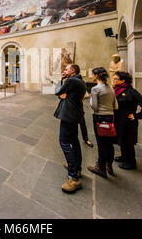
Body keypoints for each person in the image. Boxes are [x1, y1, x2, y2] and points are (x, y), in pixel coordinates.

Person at [54, 64, 86, 193]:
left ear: (73, 71)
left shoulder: (72, 80)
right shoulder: (80, 81)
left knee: (64, 143)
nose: (64, 71)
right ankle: (76, 167)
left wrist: (60, 80)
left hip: (68, 115)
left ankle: (73, 177)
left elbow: (58, 91)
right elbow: (63, 94)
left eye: (66, 69)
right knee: (74, 141)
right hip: (75, 115)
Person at [112, 71, 142, 170]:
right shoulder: (118, 90)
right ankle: (124, 157)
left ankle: (131, 162)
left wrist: (137, 115)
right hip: (119, 120)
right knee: (122, 140)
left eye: (115, 79)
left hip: (128, 122)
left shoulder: (131, 92)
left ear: (122, 81)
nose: (112, 80)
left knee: (128, 142)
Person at [87, 67, 118, 178]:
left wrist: (91, 99)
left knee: (101, 143)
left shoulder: (95, 89)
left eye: (92, 74)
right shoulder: (110, 87)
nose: (91, 76)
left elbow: (94, 107)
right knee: (109, 143)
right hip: (110, 117)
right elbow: (116, 105)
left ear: (96, 76)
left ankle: (100, 168)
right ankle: (109, 166)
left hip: (100, 117)